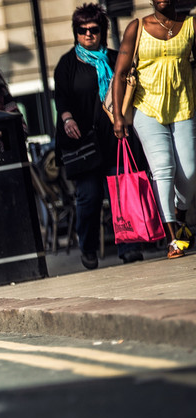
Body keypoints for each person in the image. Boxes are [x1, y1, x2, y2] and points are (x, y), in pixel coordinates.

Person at [54, 3, 145, 269]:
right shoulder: (68, 64)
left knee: (122, 193)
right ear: (76, 32)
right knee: (89, 196)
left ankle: (129, 248)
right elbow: (61, 97)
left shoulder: (115, 58)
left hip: (115, 137)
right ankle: (89, 248)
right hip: (83, 142)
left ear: (102, 31)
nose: (88, 35)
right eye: (82, 30)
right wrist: (67, 118)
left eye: (93, 30)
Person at [111, 0, 196, 259]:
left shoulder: (190, 25)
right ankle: (172, 239)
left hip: (183, 106)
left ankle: (179, 217)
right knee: (163, 168)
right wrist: (117, 117)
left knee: (190, 173)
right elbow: (120, 73)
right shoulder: (137, 27)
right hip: (145, 109)